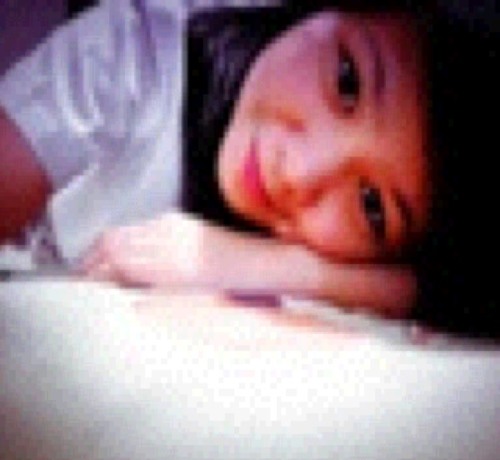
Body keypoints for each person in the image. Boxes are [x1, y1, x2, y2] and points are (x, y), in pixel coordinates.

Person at [0, 1, 497, 332]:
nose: (297, 171)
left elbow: (462, 292)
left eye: (371, 206)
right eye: (347, 81)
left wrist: (273, 266)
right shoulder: (138, 52)